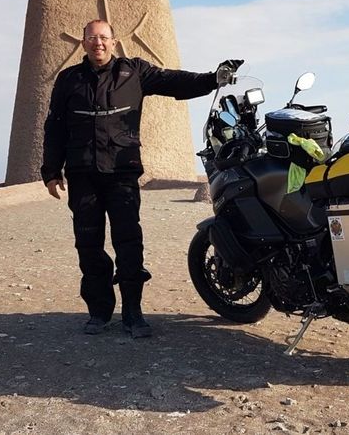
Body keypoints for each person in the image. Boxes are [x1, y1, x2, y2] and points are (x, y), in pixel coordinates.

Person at [41, 19, 241, 337]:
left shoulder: (133, 71)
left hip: (122, 173)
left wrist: (212, 79)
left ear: (114, 41)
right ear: (83, 43)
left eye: (104, 38)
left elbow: (175, 82)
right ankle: (99, 312)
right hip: (83, 175)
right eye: (92, 38)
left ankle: (133, 313)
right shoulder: (68, 79)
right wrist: (51, 172)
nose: (98, 43)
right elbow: (54, 127)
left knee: (129, 243)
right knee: (88, 245)